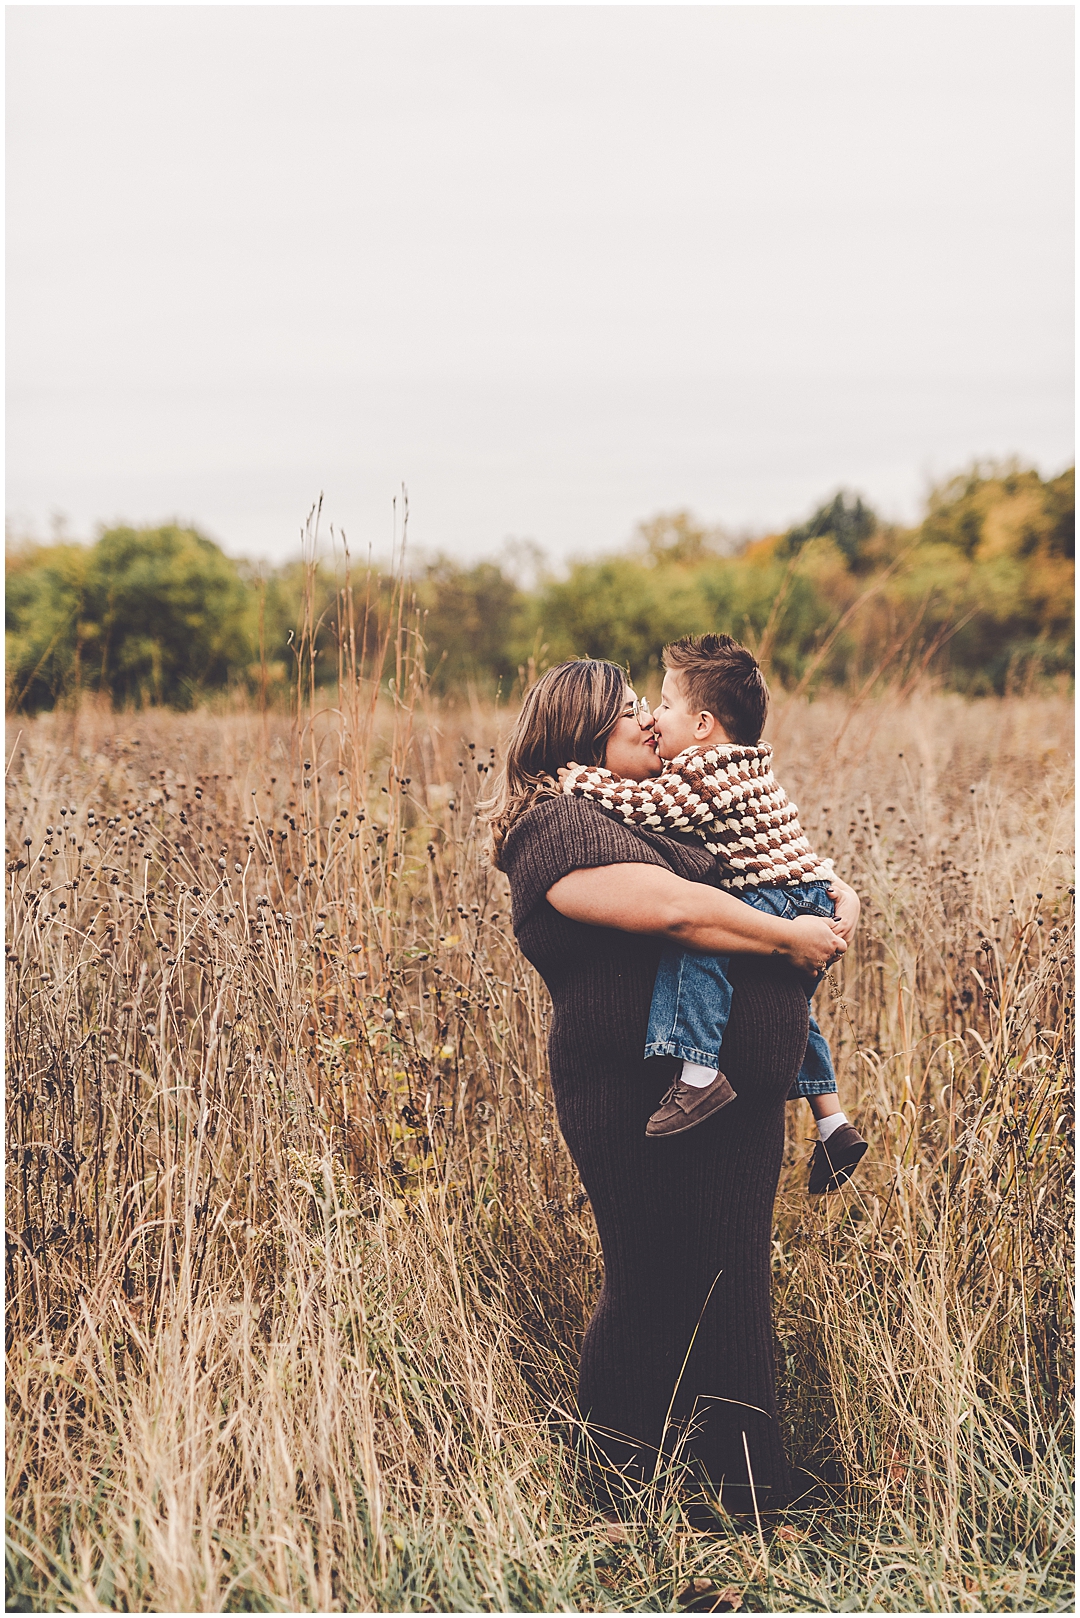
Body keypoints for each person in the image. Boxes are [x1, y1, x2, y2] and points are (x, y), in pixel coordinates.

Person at [486, 659, 850, 1516]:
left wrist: (833, 898)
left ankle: (746, 1500)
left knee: (734, 1282)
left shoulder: (653, 813)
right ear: (579, 734)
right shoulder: (560, 828)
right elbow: (682, 911)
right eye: (626, 715)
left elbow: (762, 875)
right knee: (652, 1280)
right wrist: (788, 938)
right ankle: (620, 1497)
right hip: (636, 1098)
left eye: (652, 708)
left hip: (739, 1096)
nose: (651, 723)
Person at [559, 633, 868, 1195]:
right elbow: (787, 839)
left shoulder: (706, 772)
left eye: (665, 705)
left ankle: (697, 1073)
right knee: (793, 1006)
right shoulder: (749, 766)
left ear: (702, 725)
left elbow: (649, 805)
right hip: (803, 890)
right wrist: (832, 883)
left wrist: (580, 778)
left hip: (769, 895)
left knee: (699, 947)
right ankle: (832, 1119)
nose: (654, 717)